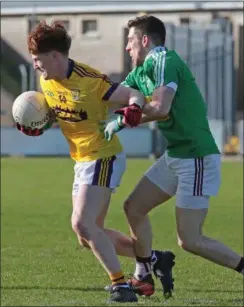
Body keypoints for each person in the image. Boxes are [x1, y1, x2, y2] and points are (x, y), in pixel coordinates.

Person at [16, 20, 175, 303]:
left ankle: (121, 287)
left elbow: (134, 94)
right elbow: (63, 112)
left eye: (39, 60)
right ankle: (153, 258)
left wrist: (135, 108)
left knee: (82, 223)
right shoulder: (46, 80)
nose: (36, 66)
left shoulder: (90, 81)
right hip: (82, 160)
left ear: (55, 56)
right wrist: (41, 123)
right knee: (88, 235)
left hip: (103, 156)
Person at [104, 14, 244, 291]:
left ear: (145, 40)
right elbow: (111, 97)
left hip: (197, 156)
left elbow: (161, 107)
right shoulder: (140, 72)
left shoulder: (163, 60)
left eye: (130, 41)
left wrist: (122, 121)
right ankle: (143, 275)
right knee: (134, 207)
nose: (127, 48)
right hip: (176, 155)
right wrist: (60, 110)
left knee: (190, 240)